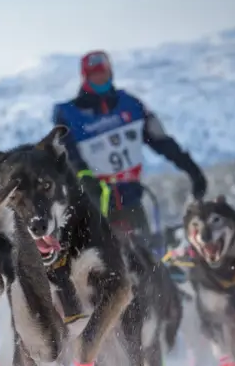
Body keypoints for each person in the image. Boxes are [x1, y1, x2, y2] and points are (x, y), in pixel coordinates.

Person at [52, 50, 207, 237]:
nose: (100, 78)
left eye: (104, 73)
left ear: (111, 73)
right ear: (85, 78)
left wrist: (191, 169)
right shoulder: (69, 114)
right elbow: (68, 155)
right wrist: (85, 180)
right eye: (95, 75)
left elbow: (161, 141)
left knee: (147, 259)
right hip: (95, 203)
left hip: (131, 198)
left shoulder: (131, 105)